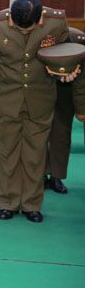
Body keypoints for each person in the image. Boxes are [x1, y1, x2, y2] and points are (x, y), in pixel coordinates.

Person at [0, 0, 74, 222]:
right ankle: (8, 202)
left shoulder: (57, 22)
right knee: (8, 152)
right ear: (11, 17)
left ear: (40, 18)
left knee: (35, 153)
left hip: (40, 97)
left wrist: (68, 69)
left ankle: (32, 204)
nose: (23, 32)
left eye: (29, 29)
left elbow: (65, 52)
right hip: (6, 96)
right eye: (18, 28)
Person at [44, 27, 85, 194]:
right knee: (36, 137)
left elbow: (82, 77)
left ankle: (56, 176)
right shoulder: (39, 36)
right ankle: (38, 175)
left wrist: (81, 108)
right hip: (39, 92)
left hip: (66, 94)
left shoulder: (78, 39)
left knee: (61, 136)